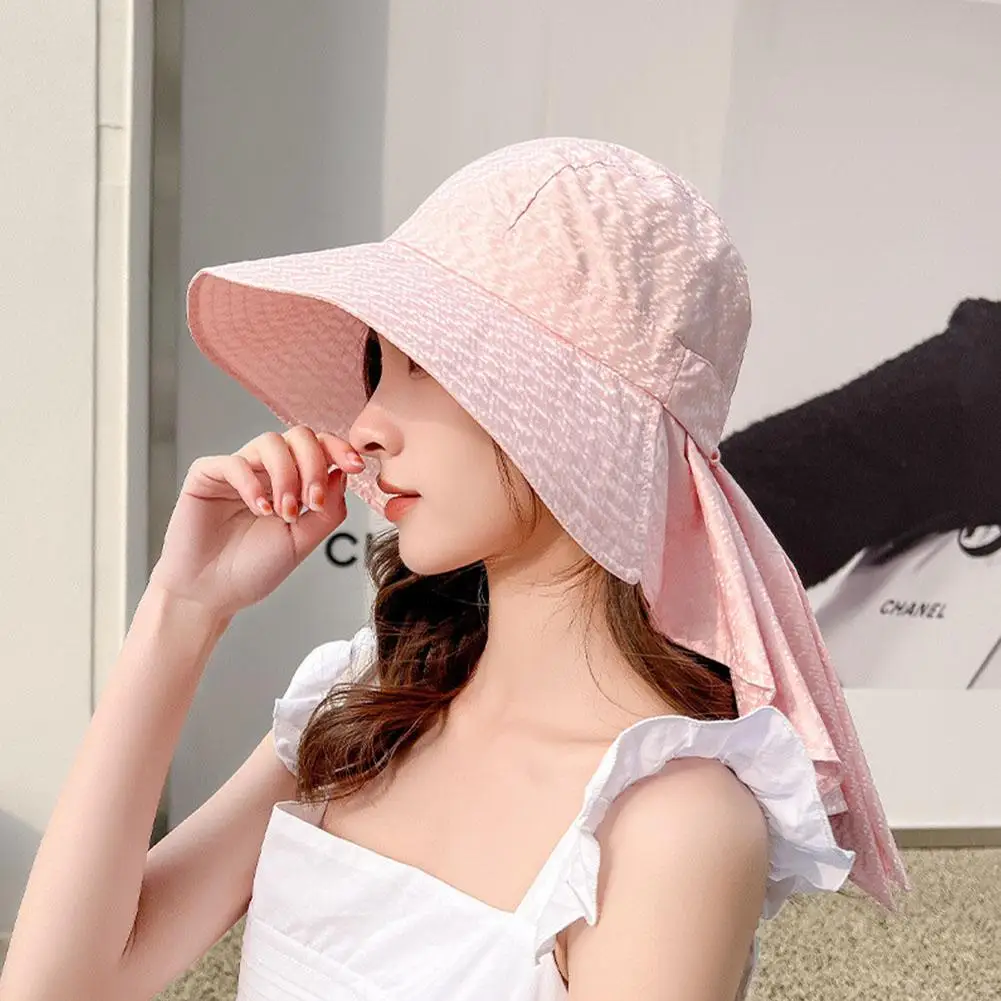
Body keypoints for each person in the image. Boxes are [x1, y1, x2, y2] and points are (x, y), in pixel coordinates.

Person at [1, 137, 909, 1001]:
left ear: (574, 416)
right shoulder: (364, 707)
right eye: (377, 369)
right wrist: (183, 607)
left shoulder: (667, 824)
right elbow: (56, 987)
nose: (365, 425)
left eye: (424, 367)